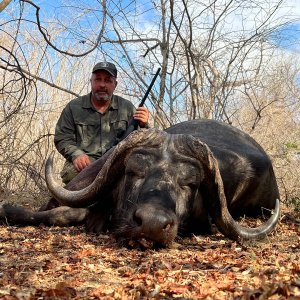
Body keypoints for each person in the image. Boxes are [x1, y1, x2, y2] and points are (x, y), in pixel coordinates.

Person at [54, 61, 150, 184]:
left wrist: (144, 125)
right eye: (98, 79)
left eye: (108, 81)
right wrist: (76, 154)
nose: (102, 85)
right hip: (86, 164)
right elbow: (62, 137)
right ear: (91, 82)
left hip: (119, 163)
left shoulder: (127, 107)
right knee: (73, 176)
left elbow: (144, 140)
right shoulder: (73, 107)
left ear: (115, 84)